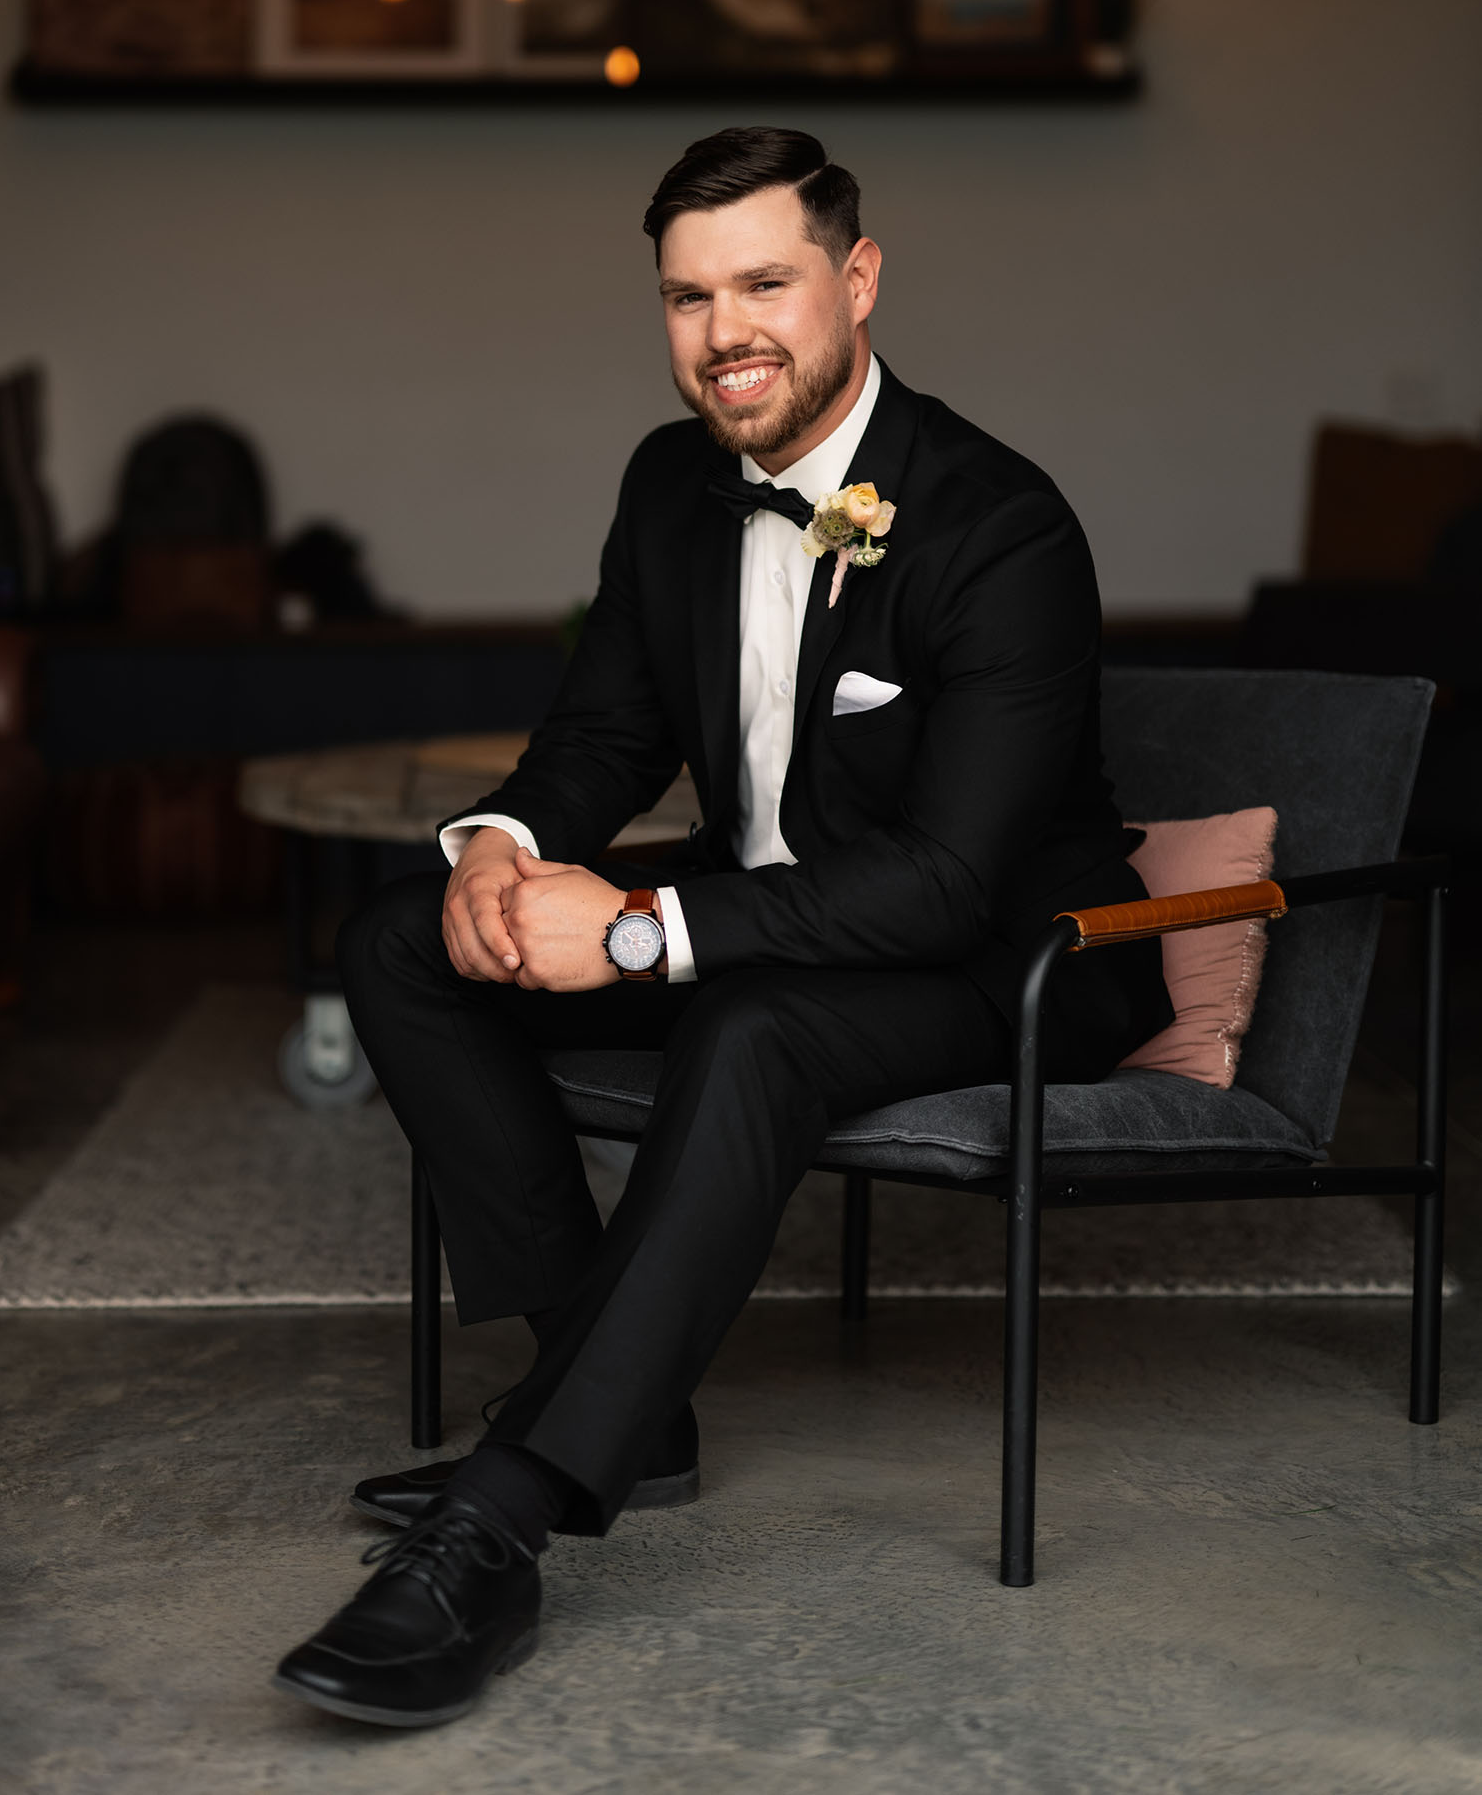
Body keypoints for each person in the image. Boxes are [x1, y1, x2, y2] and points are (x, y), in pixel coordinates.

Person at [273, 126, 1171, 1728]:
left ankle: (501, 1526)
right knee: (408, 940)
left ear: (858, 278)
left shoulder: (1002, 525)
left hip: (1010, 961)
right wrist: (503, 854)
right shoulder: (669, 481)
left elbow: (948, 881)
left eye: (765, 281)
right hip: (774, 917)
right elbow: (606, 735)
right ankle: (622, 1397)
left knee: (746, 1023)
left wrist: (630, 933)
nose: (726, 331)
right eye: (689, 297)